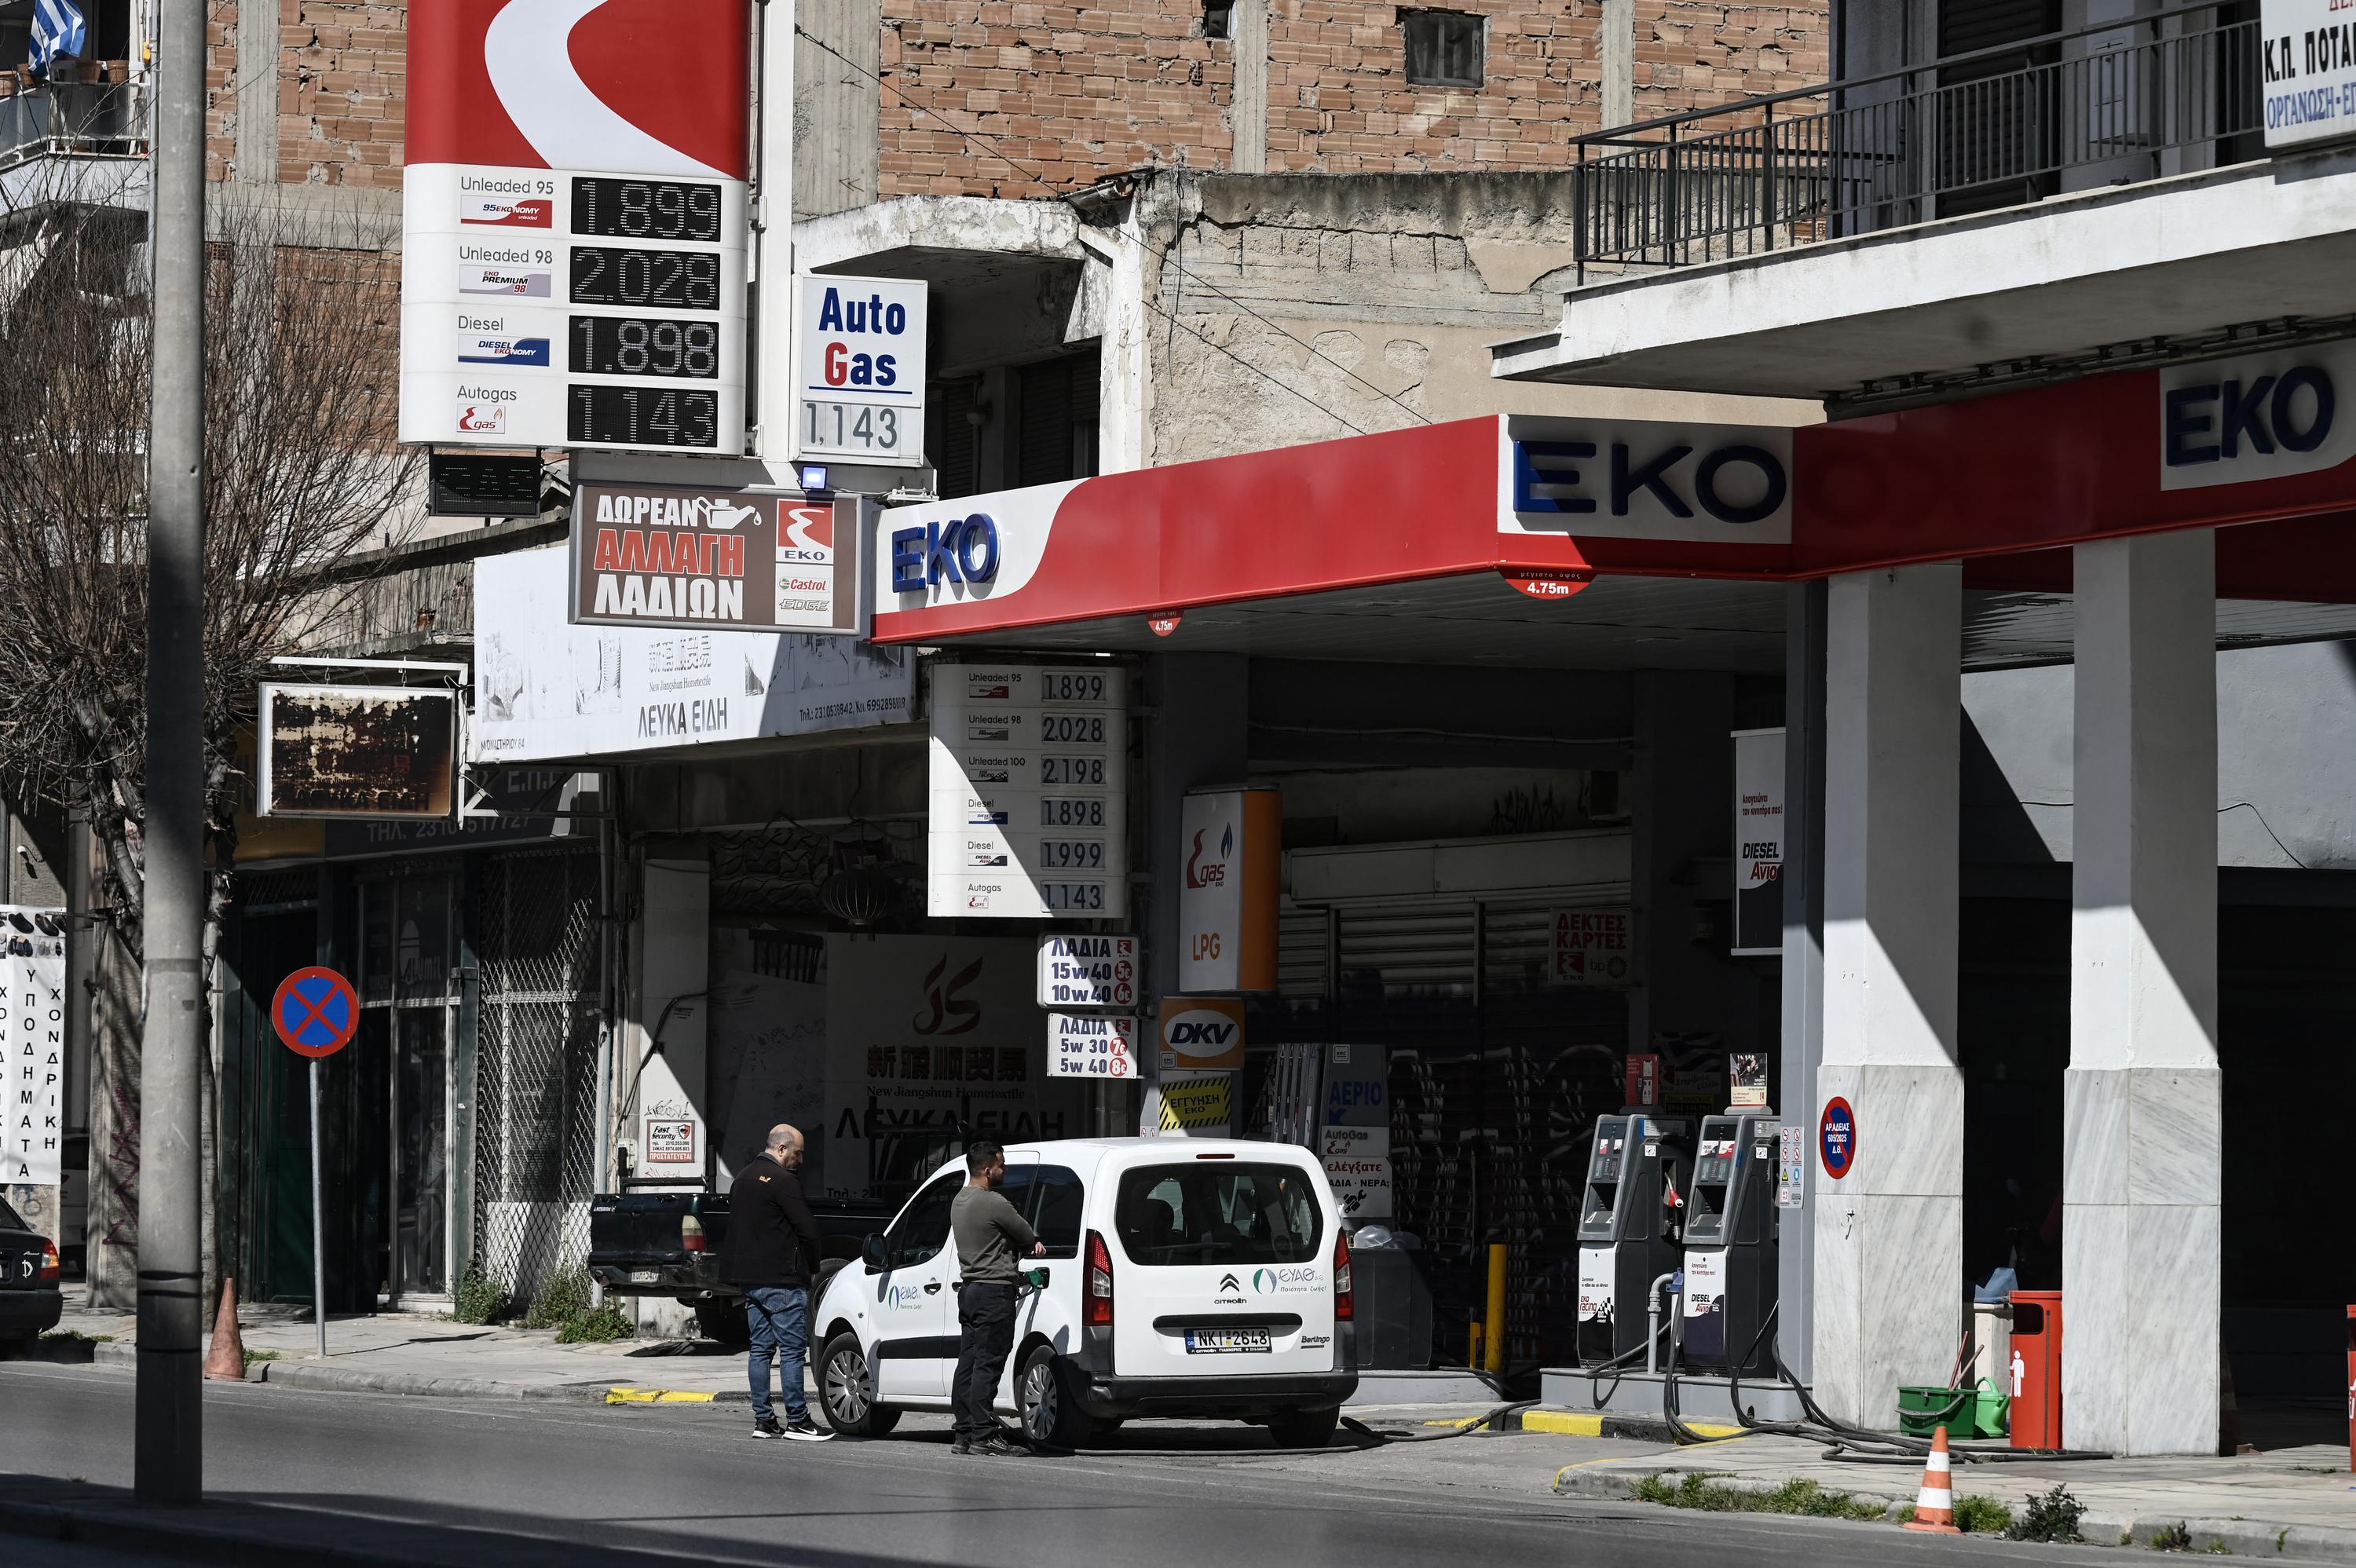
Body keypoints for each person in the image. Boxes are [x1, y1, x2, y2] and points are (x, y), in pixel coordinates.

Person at [720, 1124, 832, 1442]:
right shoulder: (784, 1182)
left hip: (750, 1281)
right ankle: (798, 1420)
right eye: (798, 1153)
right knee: (793, 1352)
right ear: (782, 1149)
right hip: (782, 1280)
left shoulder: (741, 1178)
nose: (801, 1159)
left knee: (760, 1350)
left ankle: (764, 1421)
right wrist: (813, 1268)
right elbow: (808, 1230)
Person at [949, 1139, 1045, 1456]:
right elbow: (1028, 1236)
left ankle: (963, 1434)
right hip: (994, 1292)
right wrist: (1034, 1245)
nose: (1004, 1170)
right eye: (1002, 1165)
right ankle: (984, 1435)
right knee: (988, 1365)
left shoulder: (959, 1201)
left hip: (970, 1291)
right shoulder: (994, 1202)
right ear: (988, 1169)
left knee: (968, 1363)